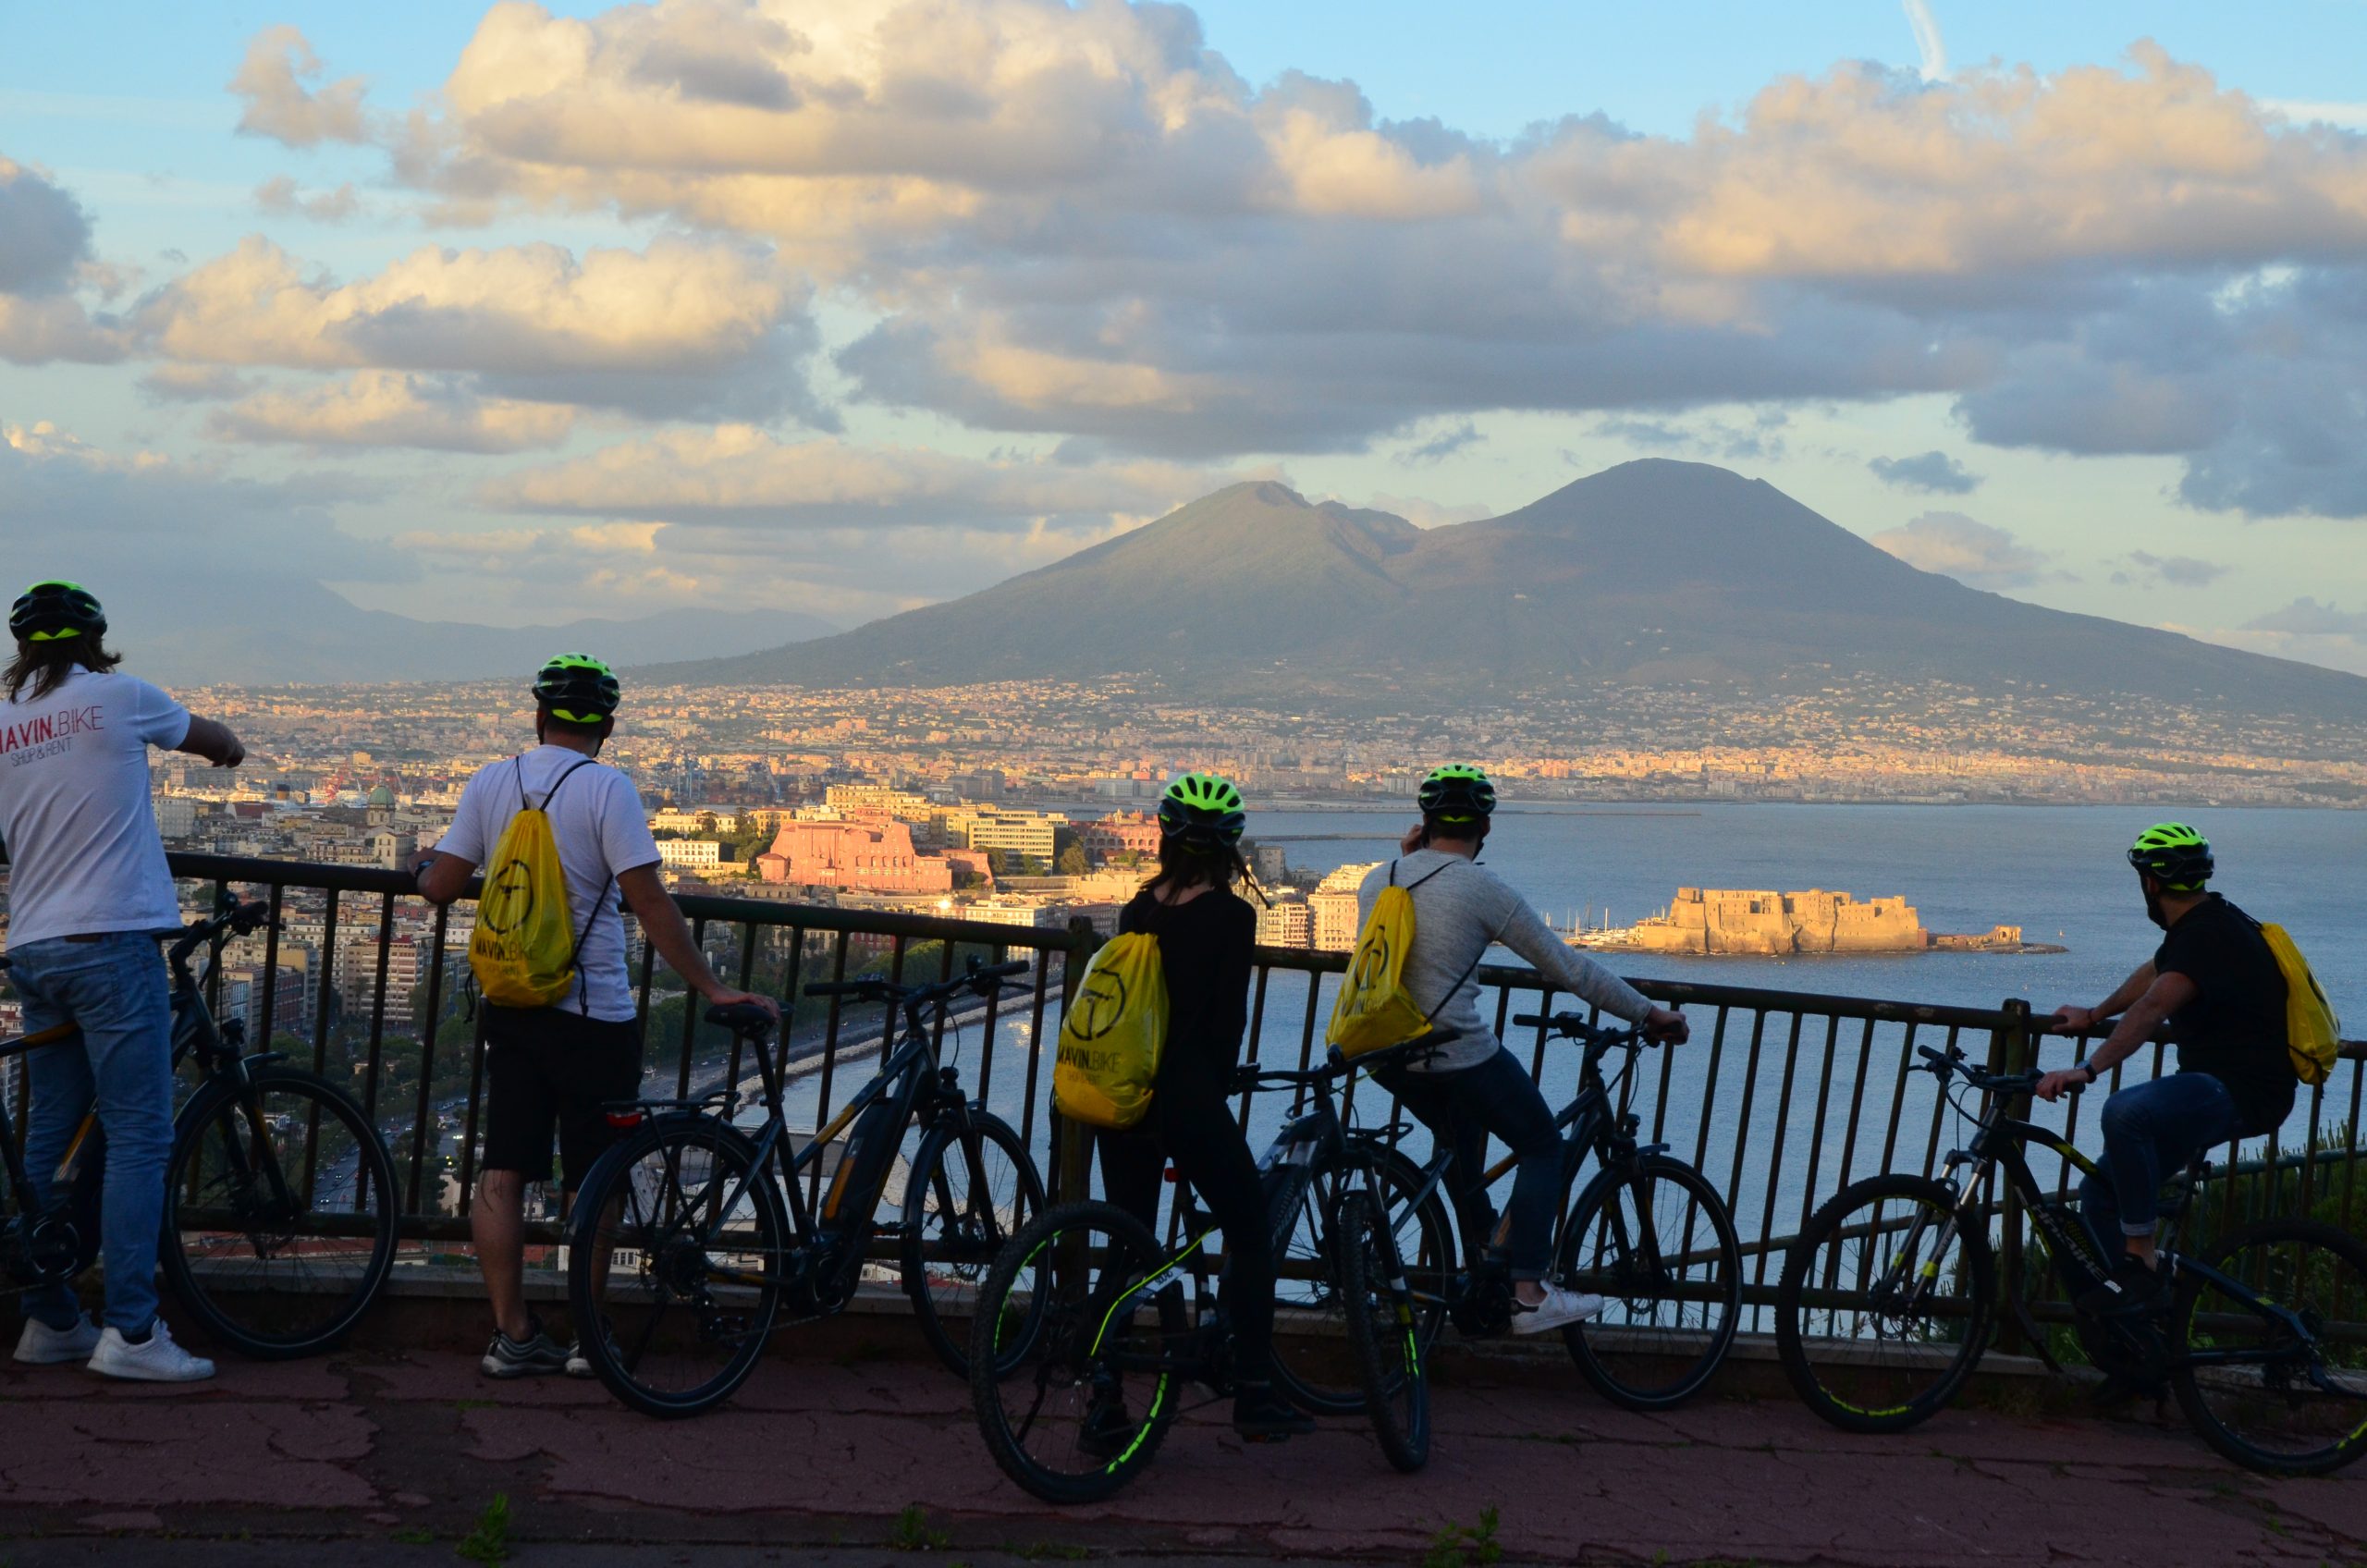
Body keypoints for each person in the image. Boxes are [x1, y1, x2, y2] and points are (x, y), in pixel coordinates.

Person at [415, 655, 776, 1378]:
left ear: (537, 713)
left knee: (503, 1172)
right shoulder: (607, 790)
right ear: (606, 726)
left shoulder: (492, 780)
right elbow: (649, 904)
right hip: (593, 1014)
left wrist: (421, 868)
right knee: (595, 1177)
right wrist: (711, 988)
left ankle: (511, 1333)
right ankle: (588, 1336)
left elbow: (443, 886)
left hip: (512, 1007)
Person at [1, 581, 246, 1380]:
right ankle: (133, 1334)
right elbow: (218, 744)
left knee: (48, 1137)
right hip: (111, 941)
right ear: (96, 643)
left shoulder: (3, 721)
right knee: (142, 1137)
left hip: (34, 947)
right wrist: (231, 747)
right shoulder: (120, 698)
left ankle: (50, 1319)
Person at [1359, 765, 1688, 1333]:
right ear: (1485, 827)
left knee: (1461, 1152)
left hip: (1385, 1055)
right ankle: (1528, 1292)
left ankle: (1482, 1272)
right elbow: (1569, 968)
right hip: (1453, 1051)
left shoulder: (1379, 878)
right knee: (1542, 1147)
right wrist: (1649, 1012)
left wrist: (1407, 853)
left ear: (1424, 822)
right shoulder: (1483, 889)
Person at [1093, 772, 1313, 1440]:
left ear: (1164, 839)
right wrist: (1216, 1088)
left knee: (1129, 1245)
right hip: (1186, 1099)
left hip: (1123, 1095)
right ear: (1229, 850)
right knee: (1248, 1230)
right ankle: (1252, 1391)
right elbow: (1224, 1026)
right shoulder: (1232, 915)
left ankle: (1102, 1397)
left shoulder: (1137, 909)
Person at [2037, 823, 2295, 1317]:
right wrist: (2093, 1015)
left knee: (2125, 1113)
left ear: (2150, 884)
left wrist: (2086, 1070)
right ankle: (2137, 1331)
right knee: (2100, 1196)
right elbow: (2156, 971)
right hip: (2218, 1085)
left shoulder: (2207, 933)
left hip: (2239, 1091)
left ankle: (2141, 1260)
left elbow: (2154, 1006)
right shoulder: (2205, 925)